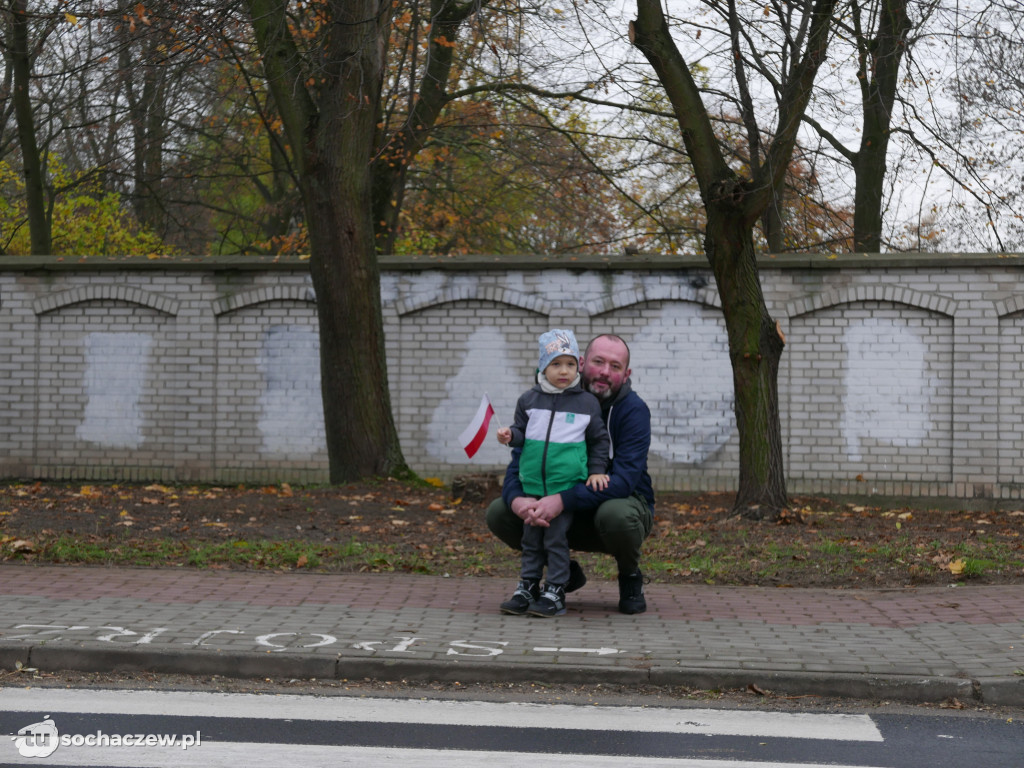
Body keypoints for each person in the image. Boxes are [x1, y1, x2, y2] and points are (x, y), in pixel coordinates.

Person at [487, 333, 654, 615]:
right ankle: (560, 573)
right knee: (500, 512)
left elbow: (624, 481)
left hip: (616, 503)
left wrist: (562, 499)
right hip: (560, 501)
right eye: (598, 362)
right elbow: (521, 463)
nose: (604, 372)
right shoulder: (541, 401)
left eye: (615, 366)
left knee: (616, 515)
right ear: (582, 362)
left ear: (626, 375)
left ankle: (629, 575)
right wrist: (517, 500)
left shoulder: (633, 411)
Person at [495, 329, 610, 618]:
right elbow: (522, 433)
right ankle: (528, 586)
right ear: (543, 366)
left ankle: (556, 589)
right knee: (530, 539)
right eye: (556, 364)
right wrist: (511, 435)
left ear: (578, 366)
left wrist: (597, 471)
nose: (564, 371)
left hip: (563, 488)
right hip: (532, 485)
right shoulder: (528, 400)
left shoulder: (586, 403)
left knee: (556, 539)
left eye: (570, 364)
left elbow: (599, 441)